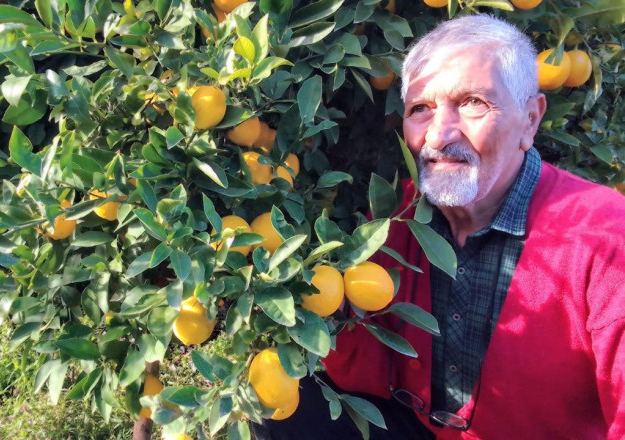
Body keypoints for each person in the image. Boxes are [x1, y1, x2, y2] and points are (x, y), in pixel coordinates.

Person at [254, 14, 625, 440]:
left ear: (529, 120)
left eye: (473, 103)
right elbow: (362, 361)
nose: (439, 134)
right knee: (289, 398)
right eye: (421, 109)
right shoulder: (400, 215)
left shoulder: (605, 239)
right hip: (421, 428)